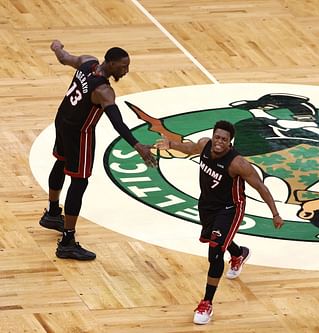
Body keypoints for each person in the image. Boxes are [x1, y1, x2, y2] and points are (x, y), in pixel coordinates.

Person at [156, 120, 284, 325]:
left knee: (215, 253)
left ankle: (206, 303)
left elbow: (260, 187)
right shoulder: (205, 144)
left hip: (230, 209)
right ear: (213, 136)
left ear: (230, 142)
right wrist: (172, 145)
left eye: (224, 139)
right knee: (213, 239)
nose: (219, 142)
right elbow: (190, 148)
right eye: (217, 137)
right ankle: (238, 253)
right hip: (207, 204)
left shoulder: (237, 163)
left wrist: (275, 213)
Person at [39, 40, 157, 260]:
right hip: (79, 134)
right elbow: (117, 123)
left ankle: (53, 213)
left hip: (63, 119)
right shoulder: (104, 91)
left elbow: (64, 58)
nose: (126, 71)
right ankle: (67, 241)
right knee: (79, 181)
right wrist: (137, 145)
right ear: (110, 64)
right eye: (122, 67)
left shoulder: (87, 62)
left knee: (60, 161)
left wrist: (56, 47)